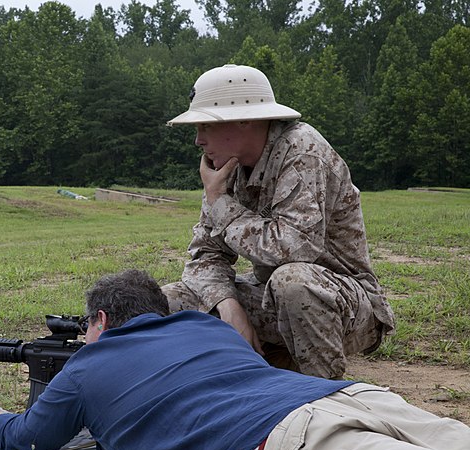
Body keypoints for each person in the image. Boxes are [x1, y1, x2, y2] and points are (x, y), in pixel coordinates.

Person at [0, 270, 470, 450]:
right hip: (356, 400)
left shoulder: (87, 367)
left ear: (101, 322)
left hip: (295, 447)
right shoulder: (205, 326)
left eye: (86, 326)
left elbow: (21, 440)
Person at [162, 64, 395, 379]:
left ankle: (320, 395)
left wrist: (221, 204)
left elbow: (294, 248)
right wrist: (228, 306)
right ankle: (237, 380)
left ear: (244, 119)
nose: (198, 140)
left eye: (206, 125)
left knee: (292, 282)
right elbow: (204, 257)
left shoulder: (303, 152)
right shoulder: (225, 169)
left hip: (346, 306)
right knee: (168, 300)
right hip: (274, 299)